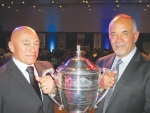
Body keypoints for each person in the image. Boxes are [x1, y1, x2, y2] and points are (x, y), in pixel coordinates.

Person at [95, 14, 150, 113]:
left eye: (124, 33)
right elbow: (91, 100)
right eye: (114, 34)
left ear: (135, 36)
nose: (118, 40)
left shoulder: (147, 67)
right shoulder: (101, 62)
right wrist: (100, 87)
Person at [0, 26, 55, 113]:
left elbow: (63, 101)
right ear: (11, 46)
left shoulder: (47, 68)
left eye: (36, 44)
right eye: (26, 44)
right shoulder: (2, 77)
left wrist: (53, 91)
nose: (33, 49)